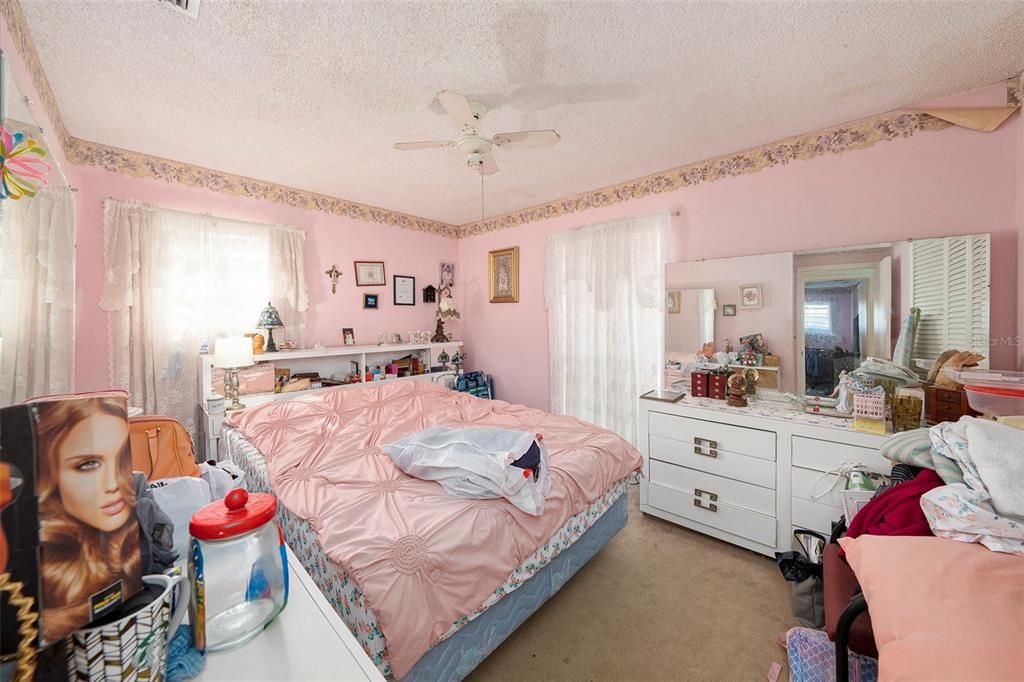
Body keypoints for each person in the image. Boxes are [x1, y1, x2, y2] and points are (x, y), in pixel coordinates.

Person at [34, 396, 142, 643]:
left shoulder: (137, 544)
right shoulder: (40, 580)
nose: (114, 484)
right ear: (49, 475)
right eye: (88, 465)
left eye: (121, 459)